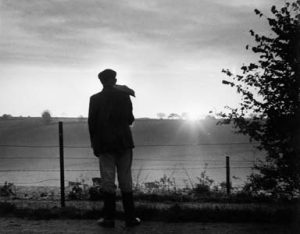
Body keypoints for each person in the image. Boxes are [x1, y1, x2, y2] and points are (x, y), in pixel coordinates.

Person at [88, 69, 141, 228]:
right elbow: (130, 119)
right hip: (124, 142)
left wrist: (94, 145)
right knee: (126, 179)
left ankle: (109, 218)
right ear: (114, 79)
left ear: (101, 81)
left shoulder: (94, 99)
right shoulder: (124, 95)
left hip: (105, 144)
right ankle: (130, 218)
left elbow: (92, 124)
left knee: (108, 181)